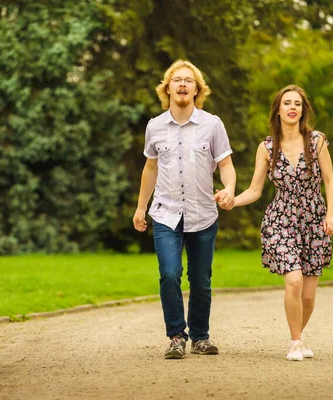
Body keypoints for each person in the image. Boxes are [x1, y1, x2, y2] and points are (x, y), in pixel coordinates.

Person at [216, 84, 333, 361]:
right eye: (287, 103)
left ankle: (298, 335)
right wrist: (232, 200)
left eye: (297, 103)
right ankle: (296, 342)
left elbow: (330, 181)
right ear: (278, 110)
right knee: (293, 281)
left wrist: (330, 215)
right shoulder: (267, 147)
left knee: (308, 296)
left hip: (314, 220)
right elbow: (255, 190)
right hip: (280, 220)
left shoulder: (317, 141)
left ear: (303, 110)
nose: (292, 107)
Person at [132, 59, 236, 359]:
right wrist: (141, 208)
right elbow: (150, 168)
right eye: (176, 80)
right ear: (167, 89)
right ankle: (177, 336)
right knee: (169, 273)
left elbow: (226, 164)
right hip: (165, 214)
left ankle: (200, 337)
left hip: (203, 214)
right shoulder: (155, 126)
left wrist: (228, 189)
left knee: (201, 281)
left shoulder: (212, 124)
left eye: (188, 81)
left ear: (197, 89)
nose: (181, 84)